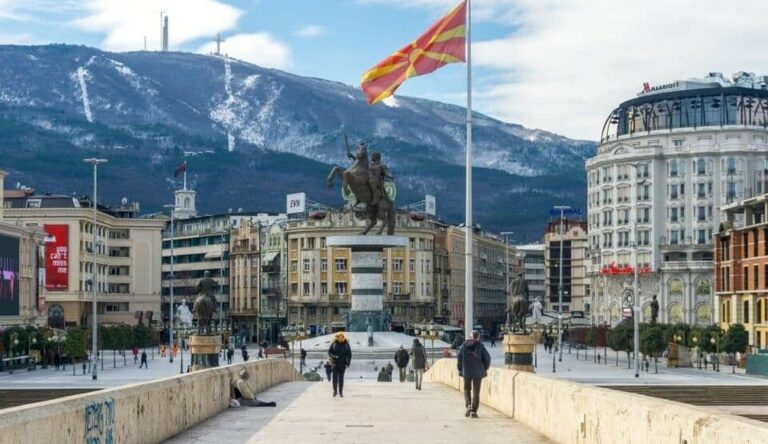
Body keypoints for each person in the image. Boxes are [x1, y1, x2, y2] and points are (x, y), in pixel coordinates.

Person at [457, 330, 491, 418]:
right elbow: (487, 359)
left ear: (470, 336)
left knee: (466, 389)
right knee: (476, 392)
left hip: (467, 372)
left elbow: (459, 359)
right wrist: (484, 368)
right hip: (478, 372)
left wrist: (460, 369)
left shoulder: (463, 346)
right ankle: (474, 412)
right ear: (478, 337)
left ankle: (468, 406)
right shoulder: (481, 346)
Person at [328, 332, 352, 397]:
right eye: (339, 337)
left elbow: (349, 355)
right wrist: (334, 356)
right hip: (335, 363)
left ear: (344, 338)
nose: (341, 338)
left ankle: (341, 392)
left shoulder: (346, 345)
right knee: (334, 378)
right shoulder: (334, 344)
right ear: (337, 337)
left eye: (342, 337)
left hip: (343, 364)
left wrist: (348, 363)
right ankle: (335, 391)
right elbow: (329, 352)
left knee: (341, 378)